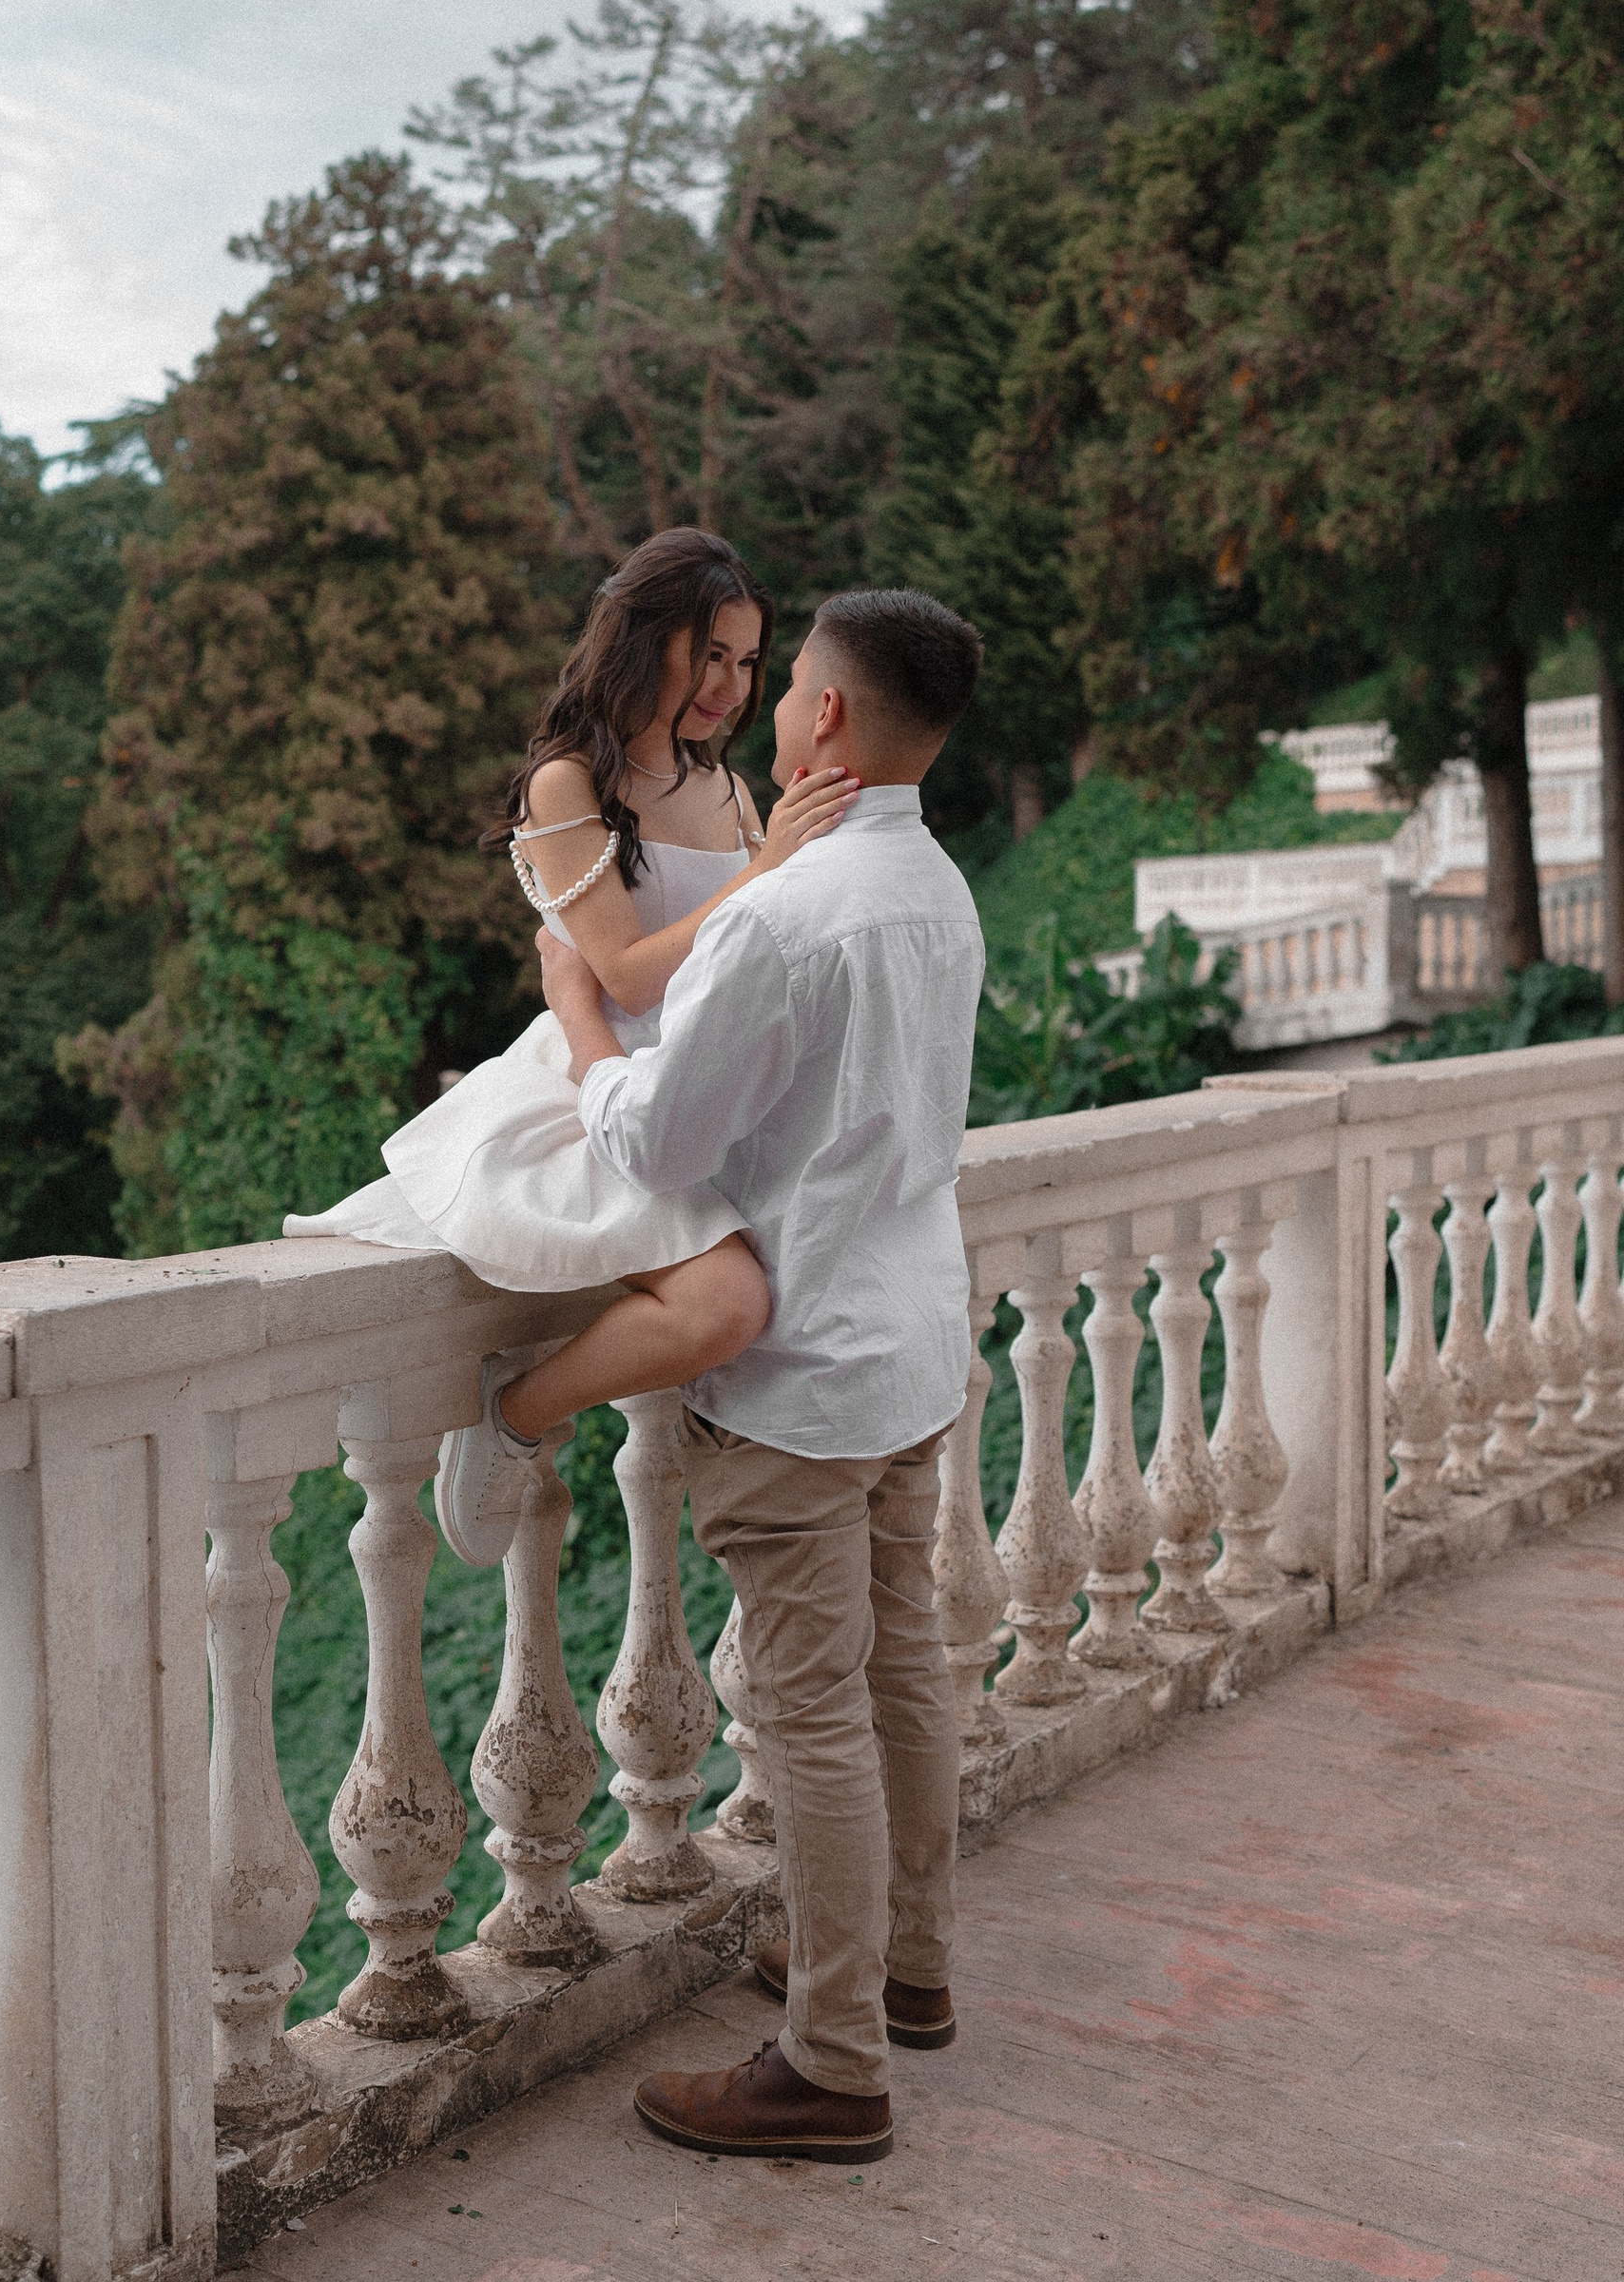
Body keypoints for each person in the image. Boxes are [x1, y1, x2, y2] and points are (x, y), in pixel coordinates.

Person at [537, 587, 986, 2165]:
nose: (774, 698)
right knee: (901, 1667)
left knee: (812, 1715)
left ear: (830, 716)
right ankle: (907, 1968)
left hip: (805, 1373)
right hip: (911, 1345)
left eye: (789, 678)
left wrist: (579, 1022)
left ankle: (835, 2060)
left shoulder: (786, 917)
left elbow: (658, 1142)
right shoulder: (939, 888)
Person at [282, 528, 858, 1560]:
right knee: (726, 1302)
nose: (730, 687)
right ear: (645, 640)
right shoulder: (567, 783)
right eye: (709, 654)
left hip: (712, 1071)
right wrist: (768, 866)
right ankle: (514, 1414)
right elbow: (626, 972)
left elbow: (754, 953)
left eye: (746, 662)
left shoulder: (727, 788)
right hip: (600, 1081)